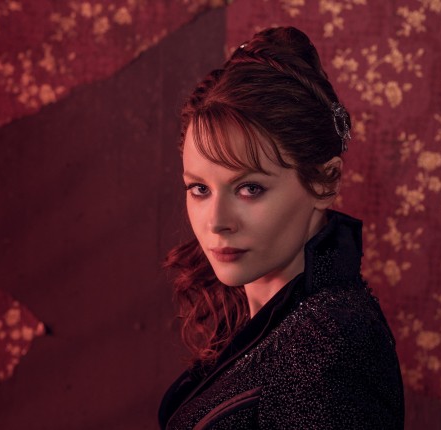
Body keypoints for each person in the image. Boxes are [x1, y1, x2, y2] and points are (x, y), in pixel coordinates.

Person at [158, 27, 404, 429]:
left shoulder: (326, 350)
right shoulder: (268, 322)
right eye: (199, 189)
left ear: (325, 182)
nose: (216, 222)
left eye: (250, 189)